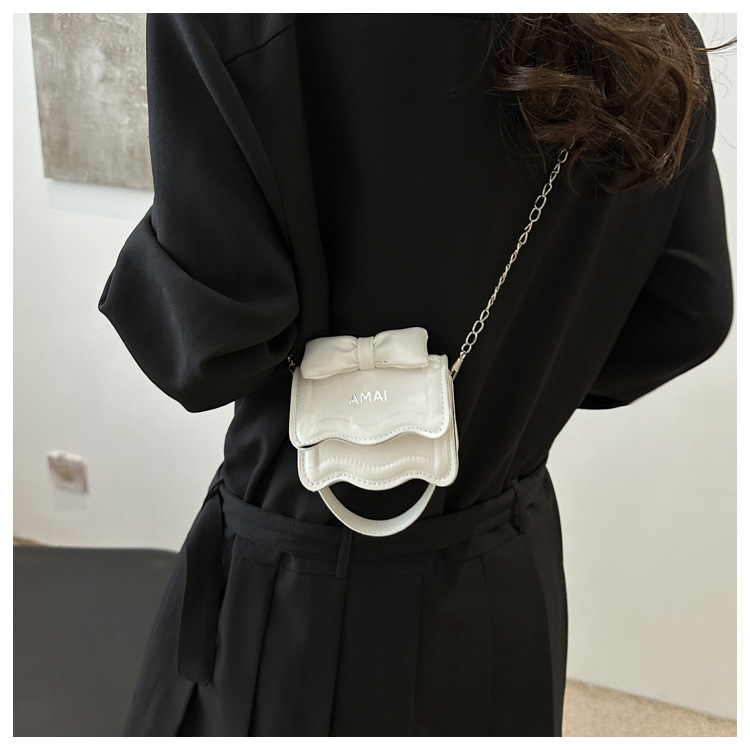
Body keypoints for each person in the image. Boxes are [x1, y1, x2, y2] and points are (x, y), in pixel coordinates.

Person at [99, 13, 733, 737]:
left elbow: (207, 352)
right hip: (505, 573)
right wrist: (519, 394)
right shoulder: (654, 40)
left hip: (298, 600)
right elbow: (691, 312)